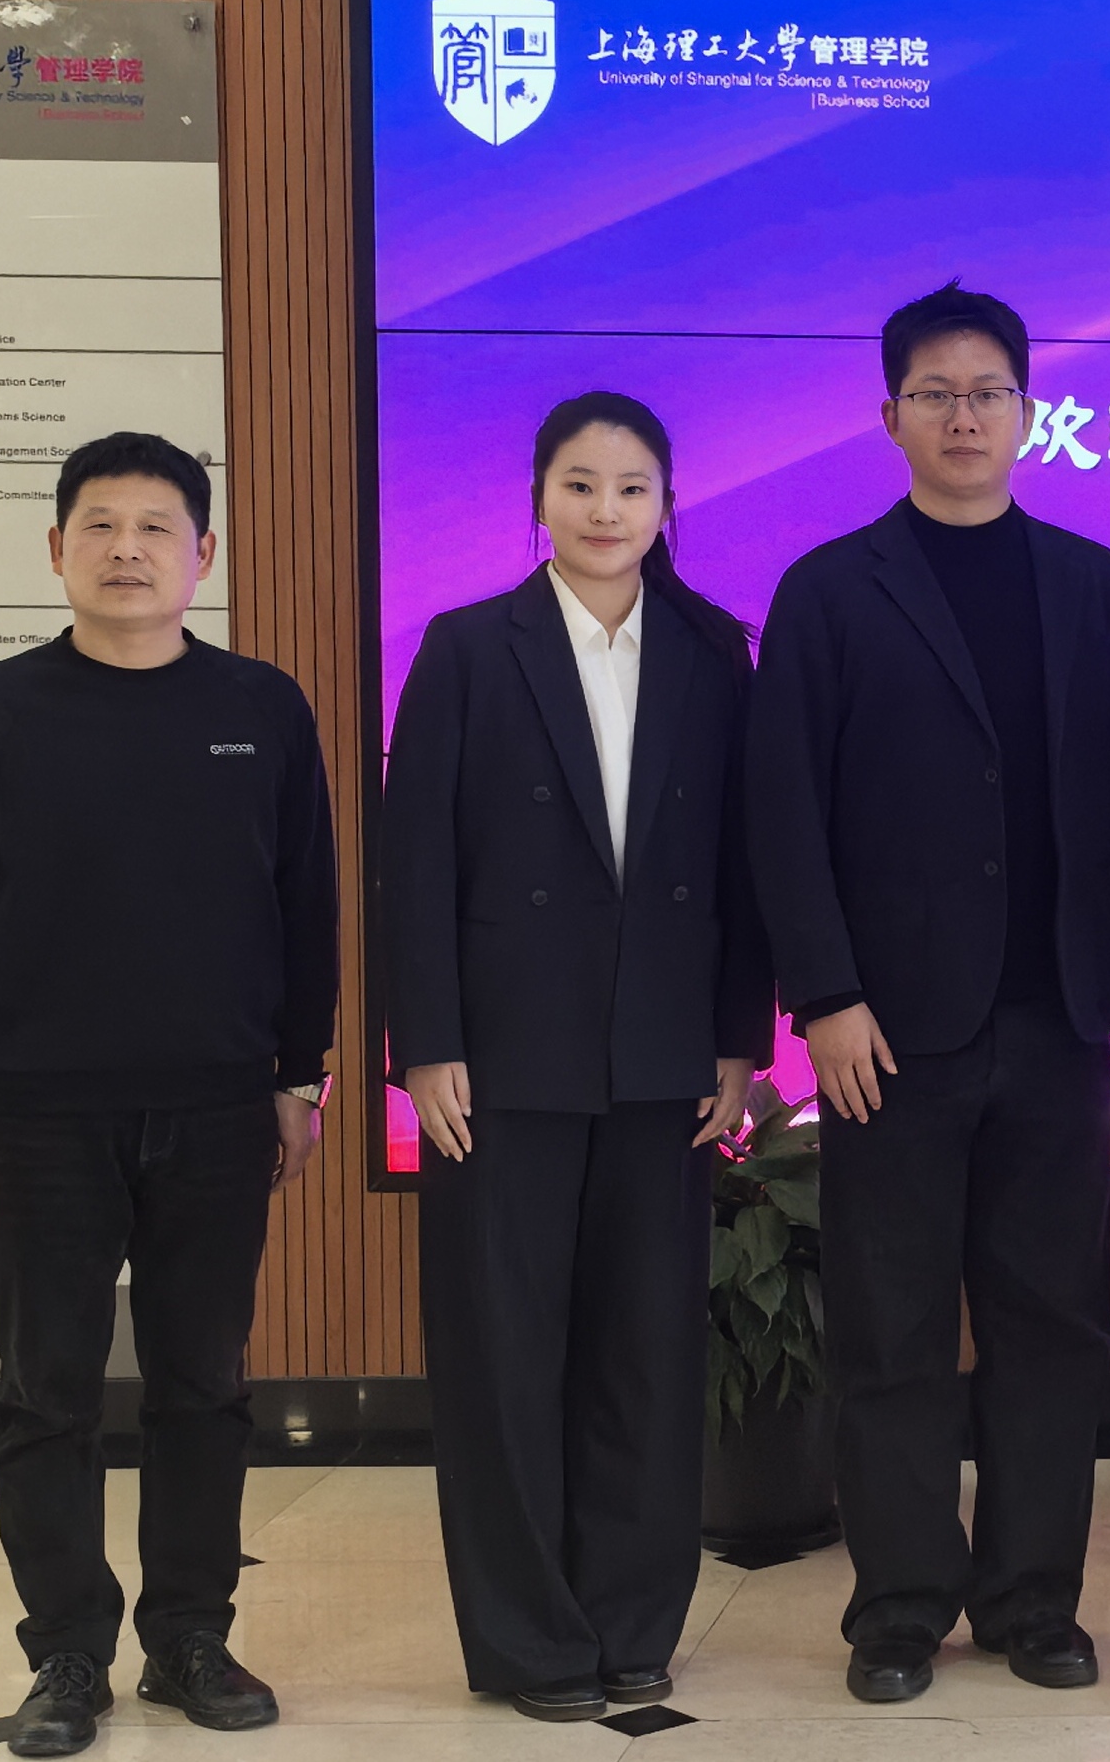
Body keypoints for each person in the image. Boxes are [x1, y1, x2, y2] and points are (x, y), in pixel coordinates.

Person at [749, 284, 1110, 1703]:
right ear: (890, 417)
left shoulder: (1092, 586)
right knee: (894, 1330)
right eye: (936, 393)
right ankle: (900, 1608)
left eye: (989, 391)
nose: (965, 415)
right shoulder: (828, 590)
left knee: (1053, 1326)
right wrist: (825, 994)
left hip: (1058, 1014)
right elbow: (782, 810)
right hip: (888, 1032)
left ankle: (1034, 1602)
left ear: (1028, 412)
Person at [0, 432, 335, 1758]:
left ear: (204, 553)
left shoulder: (263, 708)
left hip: (218, 1107)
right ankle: (66, 1654)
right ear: (56, 550)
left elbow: (306, 907)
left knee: (204, 1383)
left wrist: (299, 1074)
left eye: (157, 527)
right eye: (99, 524)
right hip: (38, 1113)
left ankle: (190, 1636)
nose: (128, 549)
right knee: (47, 1391)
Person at [381, 392, 774, 1722]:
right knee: (502, 1359)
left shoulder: (716, 650)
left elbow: (742, 863)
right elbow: (414, 862)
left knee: (645, 1355)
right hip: (502, 1059)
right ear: (539, 499)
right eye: (580, 485)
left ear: (667, 504)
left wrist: (738, 1037)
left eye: (632, 488)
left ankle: (631, 1624)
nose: (606, 511)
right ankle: (528, 1641)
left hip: (662, 1055)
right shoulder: (465, 648)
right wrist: (426, 1043)